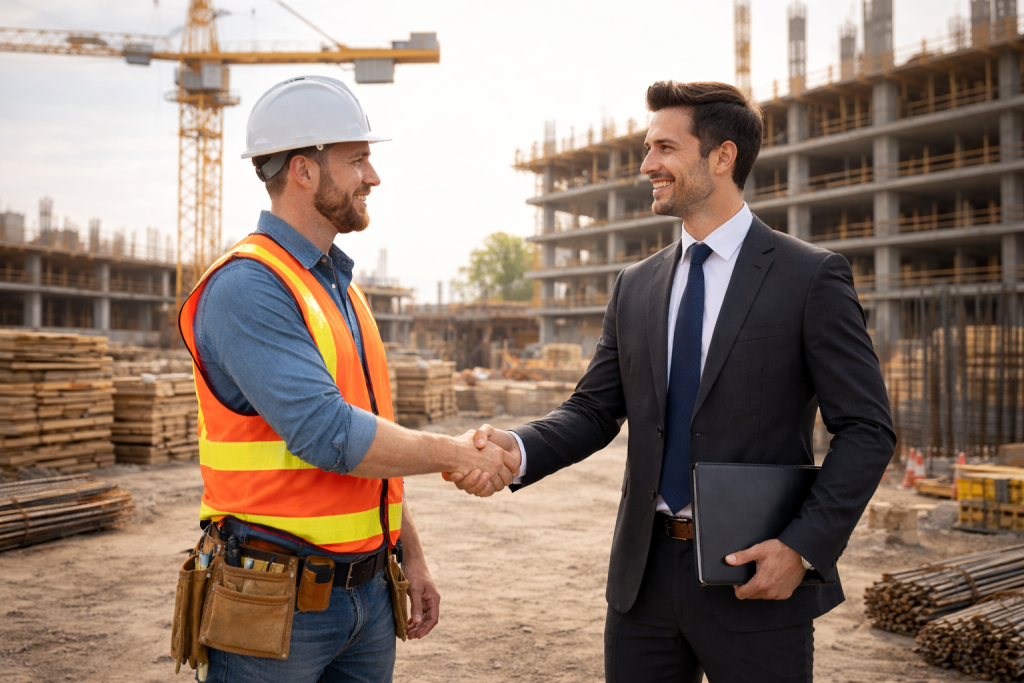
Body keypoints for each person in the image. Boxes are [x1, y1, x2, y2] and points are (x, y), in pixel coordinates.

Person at [453, 81, 895, 682]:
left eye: (664, 147)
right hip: (643, 580)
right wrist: (520, 445)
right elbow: (593, 409)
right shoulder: (634, 284)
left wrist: (803, 547)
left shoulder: (810, 277)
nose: (646, 165)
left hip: (756, 575)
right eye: (647, 148)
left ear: (722, 156)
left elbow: (867, 428)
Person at [178, 75, 518, 683]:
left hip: (368, 594)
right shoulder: (250, 286)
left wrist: (411, 556)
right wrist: (455, 452)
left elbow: (371, 440)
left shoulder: (339, 290)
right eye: (357, 159)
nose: (373, 176)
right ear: (305, 171)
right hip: (273, 603)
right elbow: (329, 434)